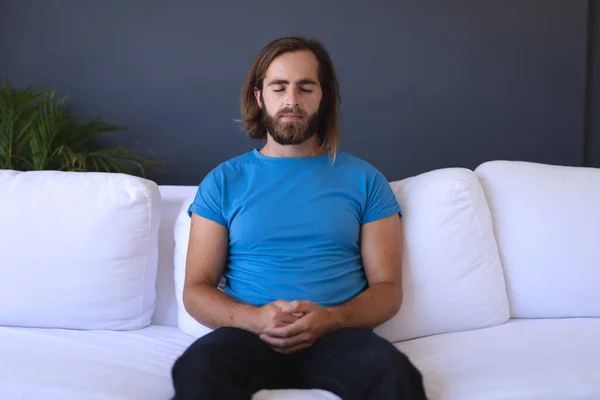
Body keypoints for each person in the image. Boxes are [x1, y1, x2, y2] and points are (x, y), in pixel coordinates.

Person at [171, 36, 427, 400]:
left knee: (395, 375)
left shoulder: (365, 180)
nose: (292, 101)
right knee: (197, 371)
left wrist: (332, 319)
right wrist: (256, 319)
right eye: (279, 87)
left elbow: (387, 290)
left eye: (305, 88)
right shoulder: (224, 181)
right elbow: (197, 289)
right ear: (260, 97)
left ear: (323, 98)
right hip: (247, 335)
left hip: (337, 335)